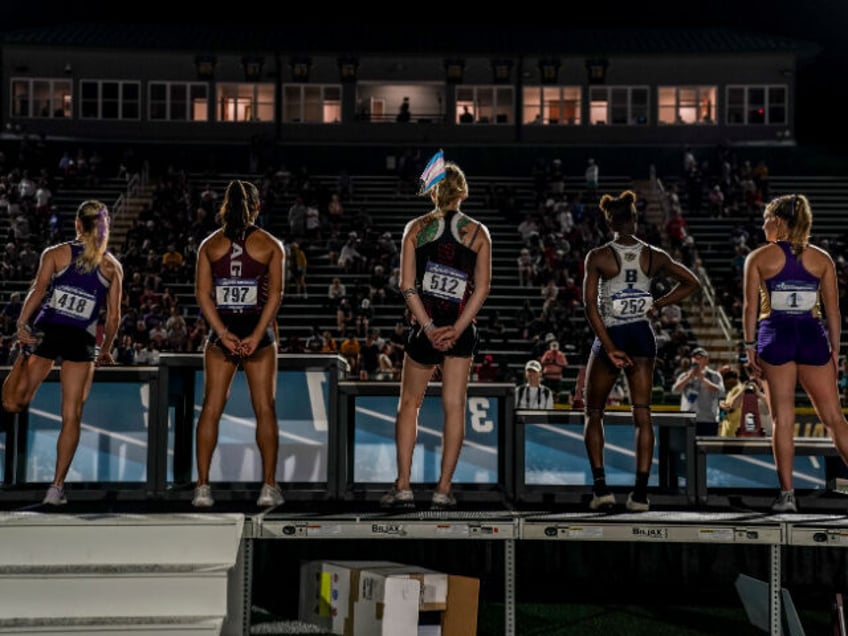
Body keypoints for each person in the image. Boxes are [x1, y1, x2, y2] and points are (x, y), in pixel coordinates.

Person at [380, 153, 491, 511]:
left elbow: (406, 285)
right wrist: (457, 329)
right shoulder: (477, 232)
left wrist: (428, 328)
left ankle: (403, 486)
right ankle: (443, 489)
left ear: (433, 193)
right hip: (460, 331)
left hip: (424, 330)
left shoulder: (415, 229)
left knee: (408, 406)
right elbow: (482, 287)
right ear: (462, 194)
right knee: (454, 408)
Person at [582, 190, 700, 512]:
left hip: (613, 332)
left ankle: (601, 490)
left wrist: (609, 347)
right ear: (635, 219)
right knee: (642, 413)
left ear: (609, 223)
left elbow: (589, 306)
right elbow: (692, 283)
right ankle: (640, 495)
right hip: (641, 332)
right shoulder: (654, 255)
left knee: (594, 412)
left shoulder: (599, 256)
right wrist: (657, 304)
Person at [1, 200, 123, 505]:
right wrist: (105, 350)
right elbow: (113, 317)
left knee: (14, 403)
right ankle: (56, 488)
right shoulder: (112, 266)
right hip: (80, 339)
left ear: (78, 225)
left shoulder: (56, 253)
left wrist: (21, 323)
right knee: (72, 414)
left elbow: (38, 290)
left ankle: (21, 355)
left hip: (48, 331)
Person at [743, 193, 848, 513]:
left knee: (783, 419)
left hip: (775, 335)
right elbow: (834, 312)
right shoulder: (822, 259)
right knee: (834, 418)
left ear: (778, 221)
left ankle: (787, 496)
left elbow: (749, 308)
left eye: (766, 219)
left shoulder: (759, 258)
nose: (762, 226)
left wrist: (749, 348)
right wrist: (834, 351)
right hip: (812, 335)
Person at [192, 179, 285, 508]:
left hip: (223, 334)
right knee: (265, 409)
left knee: (211, 409)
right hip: (257, 332)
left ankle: (202, 487)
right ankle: (268, 487)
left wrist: (222, 332)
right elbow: (275, 294)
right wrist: (258, 334)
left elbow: (202, 294)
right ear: (257, 208)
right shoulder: (270, 244)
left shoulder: (210, 245)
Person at [671, 347, 726, 436]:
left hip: (708, 420)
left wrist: (703, 379)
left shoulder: (714, 375)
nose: (697, 360)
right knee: (688, 448)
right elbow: (675, 391)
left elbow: (720, 392)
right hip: (688, 420)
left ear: (706, 360)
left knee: (706, 448)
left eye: (700, 358)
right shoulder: (684, 375)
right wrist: (688, 377)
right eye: (694, 358)